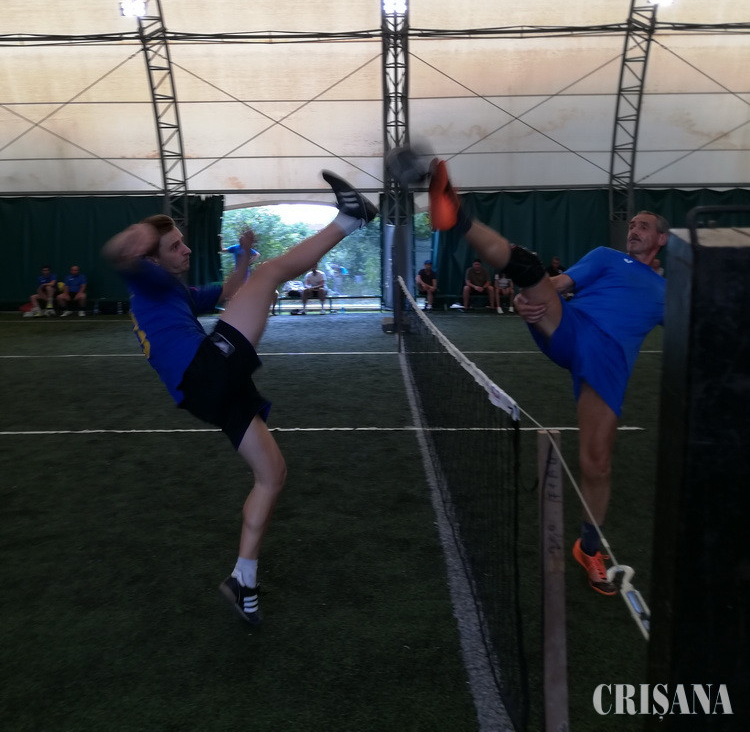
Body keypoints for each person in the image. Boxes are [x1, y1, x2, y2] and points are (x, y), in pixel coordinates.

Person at [102, 170, 377, 624]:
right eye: (174, 246)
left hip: (205, 391)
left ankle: (242, 580)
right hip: (204, 371)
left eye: (183, 243)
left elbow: (230, 292)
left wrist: (245, 254)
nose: (186, 250)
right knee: (271, 275)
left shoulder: (173, 290)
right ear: (150, 258)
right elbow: (118, 255)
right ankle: (351, 218)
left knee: (272, 475)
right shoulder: (149, 282)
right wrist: (134, 240)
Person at [428, 157, 668, 596]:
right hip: (570, 327)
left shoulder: (669, 292)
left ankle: (588, 548)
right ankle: (456, 216)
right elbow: (557, 285)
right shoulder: (606, 257)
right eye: (632, 224)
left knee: (597, 463)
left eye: (644, 226)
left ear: (662, 239)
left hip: (609, 364)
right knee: (530, 267)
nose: (634, 230)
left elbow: (699, 328)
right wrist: (525, 298)